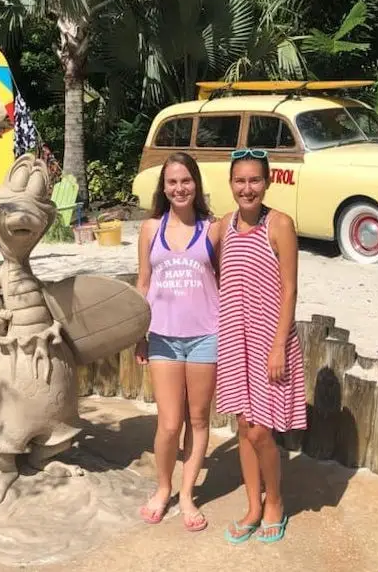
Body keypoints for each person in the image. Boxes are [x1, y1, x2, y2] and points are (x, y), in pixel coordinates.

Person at [215, 148, 307, 544]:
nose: (247, 188)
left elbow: (289, 290)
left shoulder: (280, 224)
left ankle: (276, 502)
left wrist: (278, 346)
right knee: (243, 427)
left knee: (261, 432)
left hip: (270, 340)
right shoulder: (224, 226)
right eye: (240, 180)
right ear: (231, 184)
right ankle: (253, 504)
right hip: (235, 340)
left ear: (267, 183)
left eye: (254, 180)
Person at [134, 152, 221, 532]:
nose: (179, 188)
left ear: (196, 185)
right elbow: (142, 282)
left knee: (198, 420)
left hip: (206, 336)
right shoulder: (151, 228)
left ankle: (187, 494)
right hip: (163, 338)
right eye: (172, 182)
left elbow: (228, 281)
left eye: (186, 181)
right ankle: (164, 487)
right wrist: (138, 334)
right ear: (163, 188)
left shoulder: (213, 229)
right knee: (169, 423)